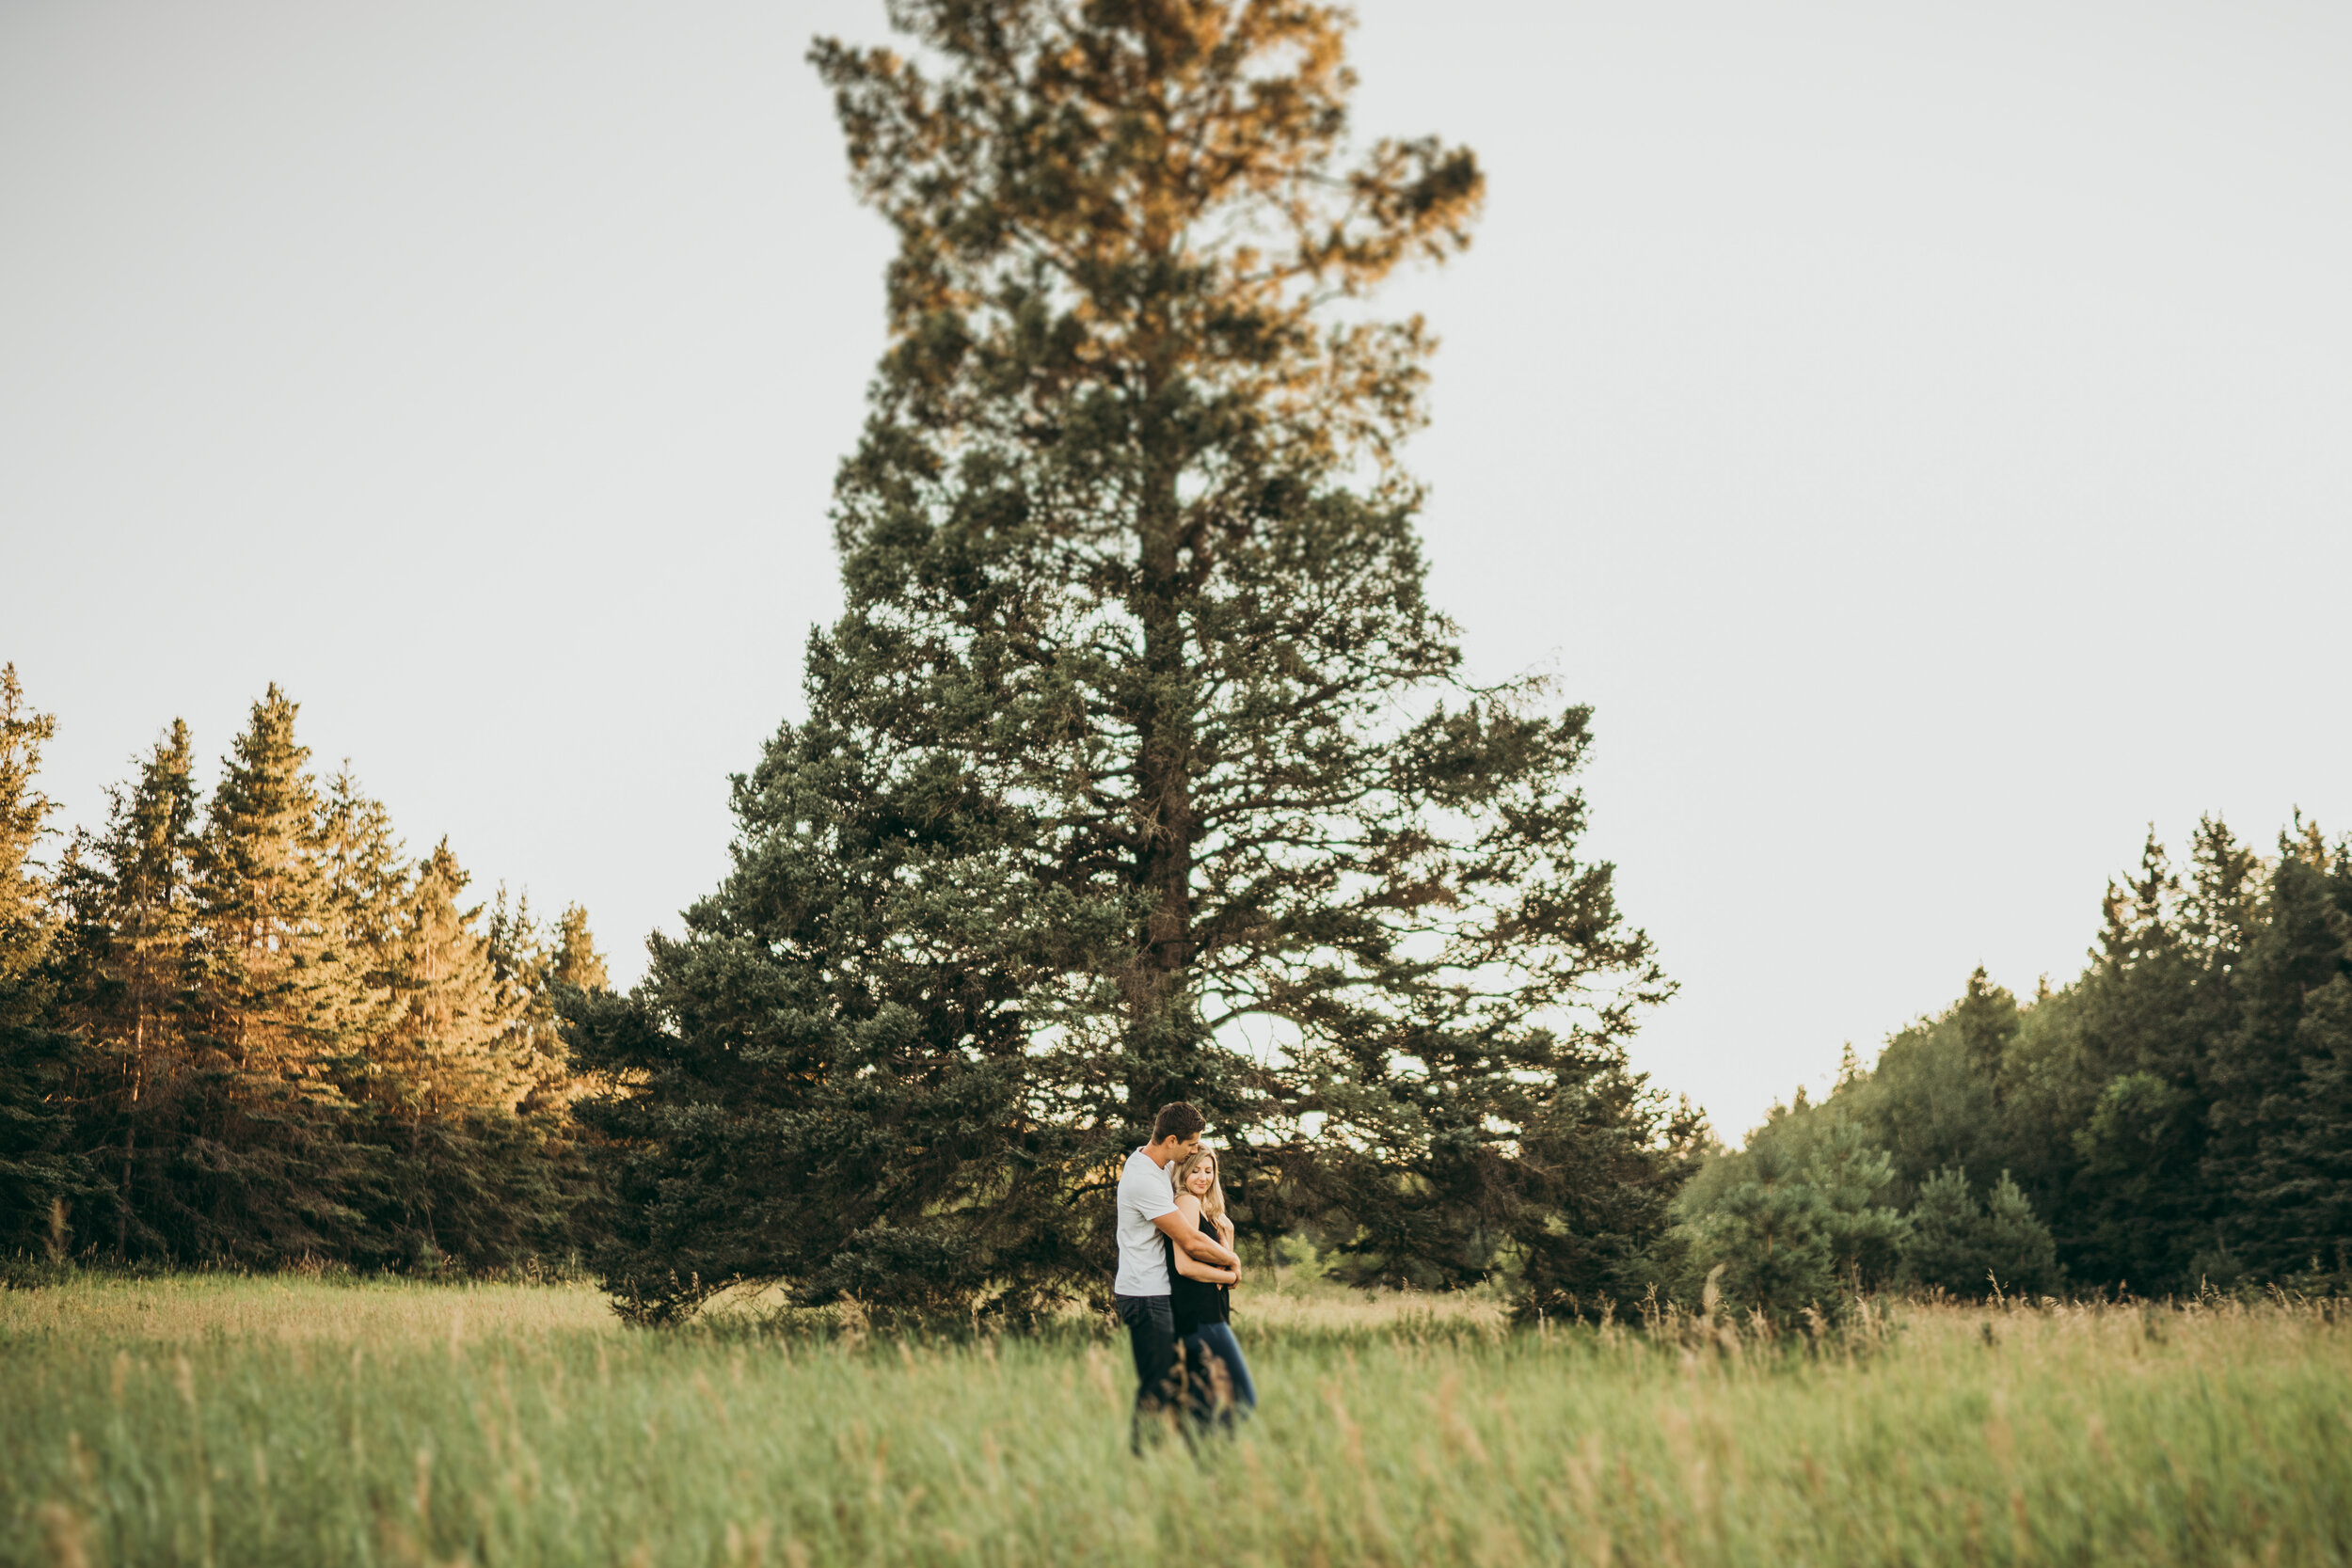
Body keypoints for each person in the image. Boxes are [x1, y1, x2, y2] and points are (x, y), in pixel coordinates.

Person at [1113, 1101, 1238, 1448]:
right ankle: (1142, 1456)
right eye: (1191, 1144)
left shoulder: (1151, 1163)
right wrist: (1232, 1262)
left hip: (1157, 1292)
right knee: (1158, 1383)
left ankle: (1177, 1450)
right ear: (1171, 1140)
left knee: (1175, 1382)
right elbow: (1190, 1240)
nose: (1195, 1150)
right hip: (1145, 1295)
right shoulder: (1144, 1180)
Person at [1167, 1147, 1257, 1421]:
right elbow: (1186, 1266)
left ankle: (1202, 1460)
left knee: (1202, 1401)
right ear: (1183, 1171)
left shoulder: (1202, 1209)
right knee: (1243, 1398)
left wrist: (1226, 1234)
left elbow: (1218, 1266)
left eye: (1208, 1171)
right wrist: (1233, 1274)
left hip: (1202, 1315)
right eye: (1195, 1170)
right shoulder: (1187, 1202)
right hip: (1204, 1318)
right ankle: (1215, 1453)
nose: (1202, 1177)